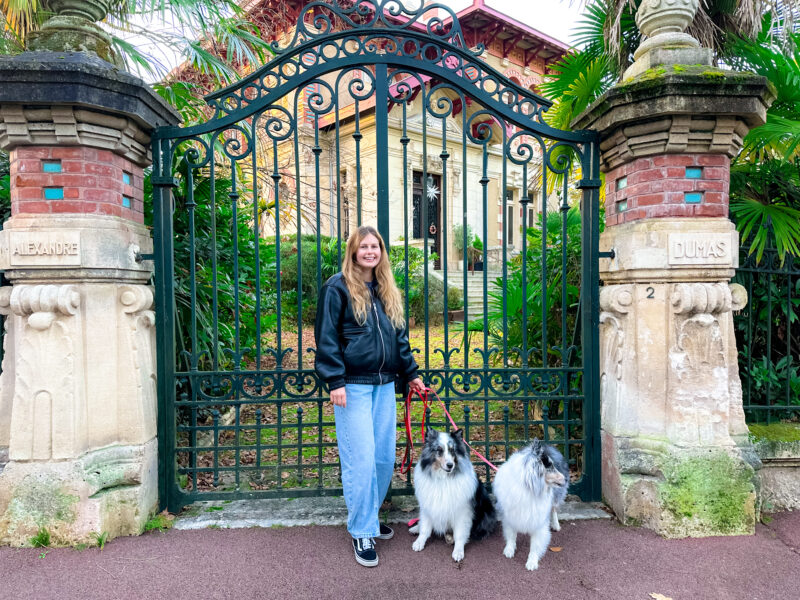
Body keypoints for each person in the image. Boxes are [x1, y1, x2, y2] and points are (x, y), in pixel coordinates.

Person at [314, 225, 425, 567]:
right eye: (363, 246)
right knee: (360, 461)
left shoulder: (386, 287)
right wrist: (335, 381)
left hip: (385, 385)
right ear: (353, 251)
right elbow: (326, 337)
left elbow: (399, 339)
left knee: (382, 459)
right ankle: (362, 529)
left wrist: (411, 374)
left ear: (381, 252)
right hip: (353, 386)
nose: (370, 252)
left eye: (375, 246)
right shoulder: (337, 287)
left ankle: (369, 518)